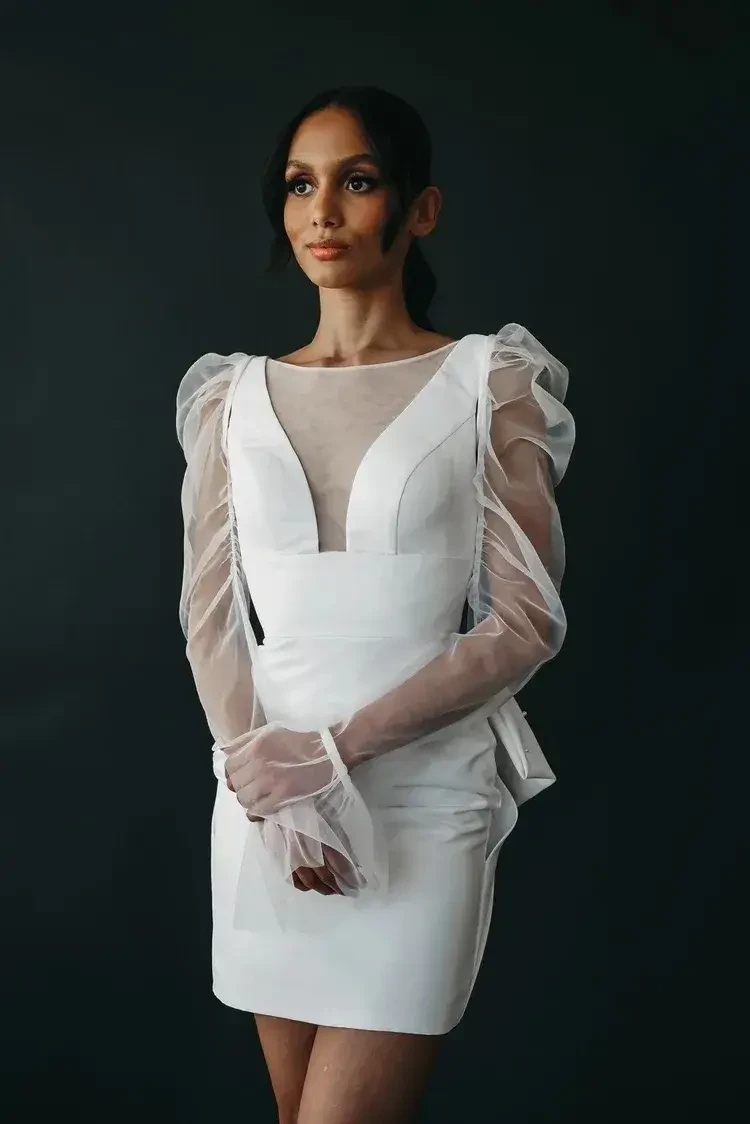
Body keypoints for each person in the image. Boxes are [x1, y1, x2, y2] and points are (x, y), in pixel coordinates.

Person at [175, 85, 575, 1124]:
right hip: (268, 810)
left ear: (420, 208)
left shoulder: (492, 381)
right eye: (301, 184)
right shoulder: (228, 396)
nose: (322, 210)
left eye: (356, 181)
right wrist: (271, 782)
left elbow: (526, 620)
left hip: (422, 800)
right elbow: (209, 616)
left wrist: (337, 751)